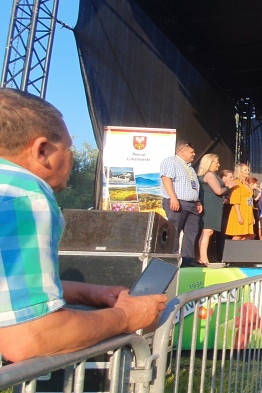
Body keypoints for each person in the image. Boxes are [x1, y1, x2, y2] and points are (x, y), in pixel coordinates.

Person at [0, 88, 167, 362]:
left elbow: (8, 291)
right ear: (42, 150)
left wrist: (88, 293)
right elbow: (29, 337)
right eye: (68, 148)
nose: (71, 158)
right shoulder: (25, 197)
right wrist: (126, 316)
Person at [160, 140, 203, 266]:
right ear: (182, 151)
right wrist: (173, 198)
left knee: (191, 231)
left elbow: (193, 185)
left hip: (192, 204)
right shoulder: (171, 161)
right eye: (191, 152)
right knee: (174, 230)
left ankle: (188, 259)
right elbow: (166, 179)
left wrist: (198, 201)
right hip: (177, 202)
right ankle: (172, 259)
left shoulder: (189, 167)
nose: (194, 154)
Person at [197, 154, 232, 265]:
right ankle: (203, 258)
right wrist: (229, 187)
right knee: (207, 231)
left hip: (213, 205)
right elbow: (218, 191)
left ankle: (203, 257)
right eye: (216, 162)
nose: (219, 165)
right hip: (209, 205)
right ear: (210, 163)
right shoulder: (209, 174)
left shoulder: (211, 175)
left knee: (208, 232)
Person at [225, 163, 255, 240]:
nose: (248, 172)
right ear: (240, 171)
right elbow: (235, 200)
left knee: (245, 235)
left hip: (247, 211)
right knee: (238, 235)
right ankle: (232, 248)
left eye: (248, 170)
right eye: (245, 170)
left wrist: (252, 215)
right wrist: (239, 215)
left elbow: (250, 200)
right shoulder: (237, 183)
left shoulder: (246, 184)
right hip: (240, 211)